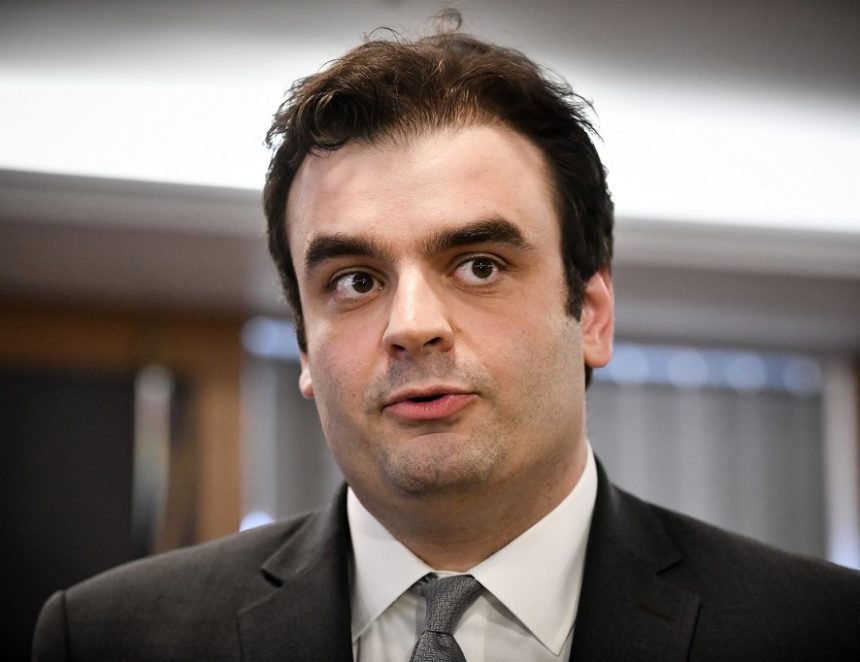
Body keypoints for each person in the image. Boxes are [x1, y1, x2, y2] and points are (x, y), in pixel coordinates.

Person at [32, 17, 860, 662]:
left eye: (478, 265)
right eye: (355, 281)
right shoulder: (111, 639)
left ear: (591, 315)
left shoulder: (819, 631)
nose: (412, 325)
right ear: (305, 349)